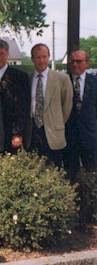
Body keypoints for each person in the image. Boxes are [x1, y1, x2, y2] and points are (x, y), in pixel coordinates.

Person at [25, 43, 73, 168]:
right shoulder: (27, 79)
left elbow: (67, 106)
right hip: (32, 131)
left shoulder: (62, 79)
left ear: (49, 57)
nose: (41, 60)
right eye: (38, 57)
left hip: (53, 132)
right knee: (33, 169)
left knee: (54, 168)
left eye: (44, 57)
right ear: (32, 59)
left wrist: (57, 122)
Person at [63, 50, 97, 224]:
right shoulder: (64, 80)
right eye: (73, 62)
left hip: (91, 138)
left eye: (79, 61)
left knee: (93, 174)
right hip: (69, 139)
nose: (75, 65)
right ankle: (74, 214)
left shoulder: (94, 82)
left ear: (87, 63)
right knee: (70, 175)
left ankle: (92, 213)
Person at [0, 39, 30, 153]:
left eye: (1, 54)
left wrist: (17, 133)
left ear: (7, 54)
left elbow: (23, 107)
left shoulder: (20, 77)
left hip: (10, 133)